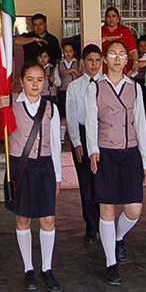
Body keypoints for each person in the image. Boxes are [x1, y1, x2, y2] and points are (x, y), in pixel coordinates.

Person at [0, 61, 63, 292]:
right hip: (20, 167)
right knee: (23, 219)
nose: (35, 84)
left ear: (45, 82)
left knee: (48, 220)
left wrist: (58, 176)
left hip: (44, 166)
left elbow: (55, 144)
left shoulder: (51, 107)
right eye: (30, 79)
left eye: (39, 80)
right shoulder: (11, 102)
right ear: (21, 81)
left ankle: (47, 268)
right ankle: (28, 268)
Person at [85, 40, 146, 286]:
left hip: (130, 151)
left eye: (122, 54)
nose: (117, 58)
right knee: (107, 208)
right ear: (105, 59)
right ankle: (111, 262)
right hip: (106, 152)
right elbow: (91, 121)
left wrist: (144, 159)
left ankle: (118, 237)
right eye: (112, 54)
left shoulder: (134, 87)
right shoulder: (96, 87)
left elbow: (140, 124)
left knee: (134, 209)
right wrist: (92, 150)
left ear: (126, 60)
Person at [66, 44, 102, 244]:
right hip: (82, 133)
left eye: (97, 60)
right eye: (90, 60)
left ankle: (104, 222)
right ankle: (91, 224)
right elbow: (71, 116)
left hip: (102, 135)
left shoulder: (106, 84)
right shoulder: (75, 86)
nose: (94, 64)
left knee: (102, 182)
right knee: (86, 183)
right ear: (83, 62)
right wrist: (77, 141)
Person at [56, 42, 81, 145]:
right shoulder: (59, 65)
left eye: (70, 51)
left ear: (74, 52)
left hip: (76, 91)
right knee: (63, 115)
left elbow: (82, 75)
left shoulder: (78, 63)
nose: (68, 53)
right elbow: (57, 81)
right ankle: (62, 138)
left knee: (75, 113)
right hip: (63, 91)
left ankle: (75, 137)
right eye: (66, 51)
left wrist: (74, 70)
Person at [101, 7, 138, 74]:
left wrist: (135, 62)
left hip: (123, 69)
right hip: (104, 69)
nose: (111, 19)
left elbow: (133, 51)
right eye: (108, 16)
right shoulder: (100, 31)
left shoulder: (125, 31)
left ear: (118, 18)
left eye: (114, 16)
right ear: (105, 19)